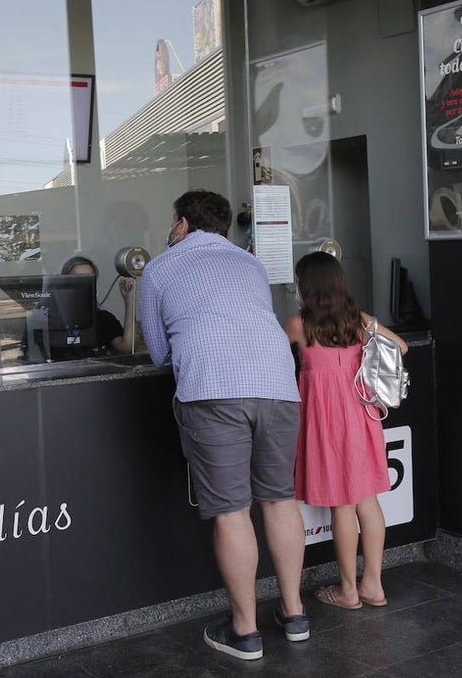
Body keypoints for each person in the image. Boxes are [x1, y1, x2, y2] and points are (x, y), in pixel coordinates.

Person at [138, 190, 308, 660]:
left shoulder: (159, 268)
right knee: (278, 499)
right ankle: (295, 616)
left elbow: (159, 352)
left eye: (173, 221)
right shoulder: (250, 264)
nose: (171, 229)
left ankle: (245, 631)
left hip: (214, 389)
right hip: (278, 384)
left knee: (233, 511)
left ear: (184, 224)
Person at [283, 251, 409, 611]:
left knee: (342, 506)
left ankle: (348, 591)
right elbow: (400, 347)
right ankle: (373, 585)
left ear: (306, 286)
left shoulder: (298, 326)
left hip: (324, 423)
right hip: (362, 417)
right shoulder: (359, 321)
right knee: (367, 501)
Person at [60, 255, 136, 355]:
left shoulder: (104, 319)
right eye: (78, 279)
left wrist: (129, 300)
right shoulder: (54, 320)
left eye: (89, 279)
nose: (84, 285)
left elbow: (127, 348)